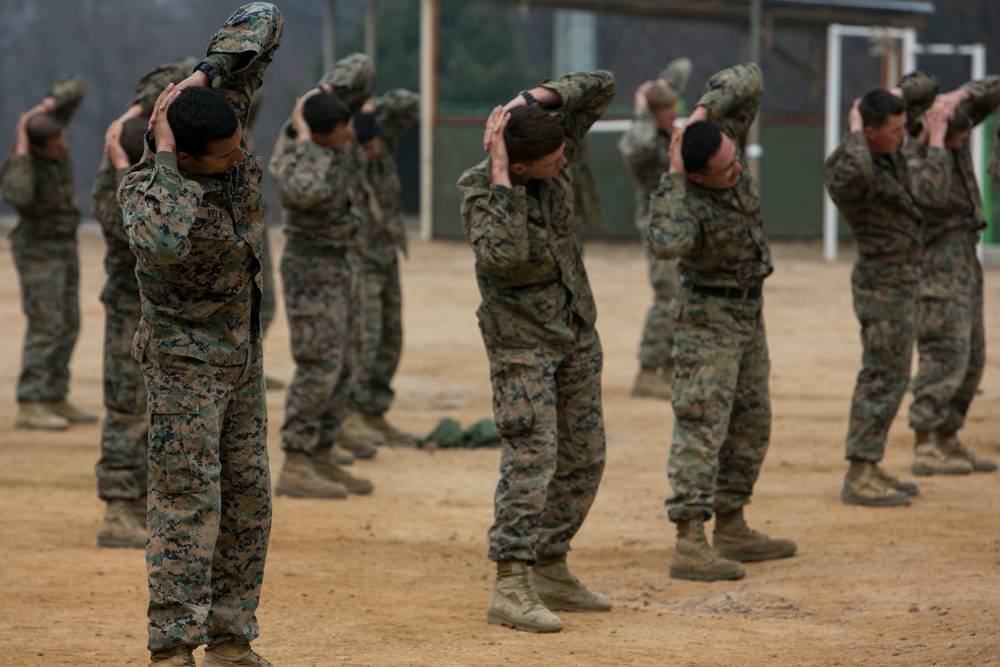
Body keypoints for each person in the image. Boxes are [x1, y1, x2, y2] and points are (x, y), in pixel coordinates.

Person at [117, 4, 283, 665]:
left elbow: (264, 17)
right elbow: (159, 243)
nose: (242, 155)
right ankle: (172, 646)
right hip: (184, 361)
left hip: (239, 355)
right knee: (189, 503)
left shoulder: (216, 123)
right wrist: (159, 155)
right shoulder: (148, 189)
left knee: (248, 501)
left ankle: (231, 638)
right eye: (226, 154)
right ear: (184, 155)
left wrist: (202, 75)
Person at [457, 69, 616, 633]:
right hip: (521, 342)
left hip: (574, 331)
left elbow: (601, 85)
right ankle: (511, 581)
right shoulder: (481, 191)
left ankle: (551, 563)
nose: (565, 162)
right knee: (532, 458)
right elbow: (503, 260)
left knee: (586, 456)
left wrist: (526, 99)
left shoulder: (549, 149)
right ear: (517, 166)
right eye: (551, 162)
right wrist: (502, 178)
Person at [647, 62, 796, 582]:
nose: (735, 174)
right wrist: (671, 173)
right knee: (701, 424)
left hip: (748, 309)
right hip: (707, 315)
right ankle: (690, 539)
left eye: (737, 164)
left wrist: (701, 114)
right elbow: (664, 243)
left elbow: (750, 75)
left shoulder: (721, 140)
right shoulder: (682, 196)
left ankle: (732, 523)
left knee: (751, 420)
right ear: (693, 176)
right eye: (725, 172)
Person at [824, 73, 950, 508]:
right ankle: (859, 471)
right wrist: (857, 128)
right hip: (882, 282)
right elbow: (854, 169)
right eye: (894, 130)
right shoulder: (849, 163)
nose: (903, 136)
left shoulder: (886, 149)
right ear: (869, 131)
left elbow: (923, 88)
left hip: (902, 279)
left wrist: (891, 98)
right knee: (881, 375)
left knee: (895, 375)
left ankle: (870, 462)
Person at [92, 56, 197, 550]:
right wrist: (119, 167)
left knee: (154, 413)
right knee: (128, 408)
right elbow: (125, 228)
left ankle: (140, 502)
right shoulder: (129, 181)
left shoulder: (150, 174)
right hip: (129, 310)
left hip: (155, 312)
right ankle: (118, 509)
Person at [268, 53, 378, 499]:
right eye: (342, 131)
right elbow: (307, 191)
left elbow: (361, 67)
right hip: (311, 267)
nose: (351, 136)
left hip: (342, 262)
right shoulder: (297, 157)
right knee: (319, 366)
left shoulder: (330, 128)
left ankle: (322, 453)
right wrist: (308, 137)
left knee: (346, 363)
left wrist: (322, 94)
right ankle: (296, 461)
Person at [903, 77, 999, 476]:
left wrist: (958, 97)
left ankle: (949, 435)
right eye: (957, 137)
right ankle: (925, 441)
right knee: (944, 352)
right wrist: (938, 141)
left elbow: (995, 87)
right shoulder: (912, 154)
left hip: (964, 255)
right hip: (936, 261)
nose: (963, 143)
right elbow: (932, 196)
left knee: (973, 353)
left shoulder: (951, 138)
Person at [1, 74, 97, 430]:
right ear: (38, 148)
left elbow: (77, 85)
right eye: (57, 145)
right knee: (46, 325)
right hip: (38, 252)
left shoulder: (49, 131)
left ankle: (55, 394)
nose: (65, 148)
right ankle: (30, 400)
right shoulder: (21, 164)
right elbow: (19, 198)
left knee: (69, 323)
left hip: (65, 246)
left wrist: (43, 109)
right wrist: (23, 147)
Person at [347, 88, 421, 447]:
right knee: (365, 339)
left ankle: (375, 412)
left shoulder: (382, 144)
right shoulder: (340, 159)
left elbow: (410, 103)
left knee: (391, 338)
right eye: (365, 146)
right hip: (359, 261)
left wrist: (371, 108)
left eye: (374, 143)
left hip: (386, 253)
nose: (372, 151)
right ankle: (352, 415)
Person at [619, 57, 691, 400]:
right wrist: (642, 110)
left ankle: (674, 367)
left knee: (686, 292)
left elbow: (683, 65)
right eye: (667, 113)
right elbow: (639, 146)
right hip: (657, 222)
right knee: (668, 293)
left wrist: (660, 87)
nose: (674, 116)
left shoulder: (666, 126)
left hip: (682, 220)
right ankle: (648, 371)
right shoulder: (642, 138)